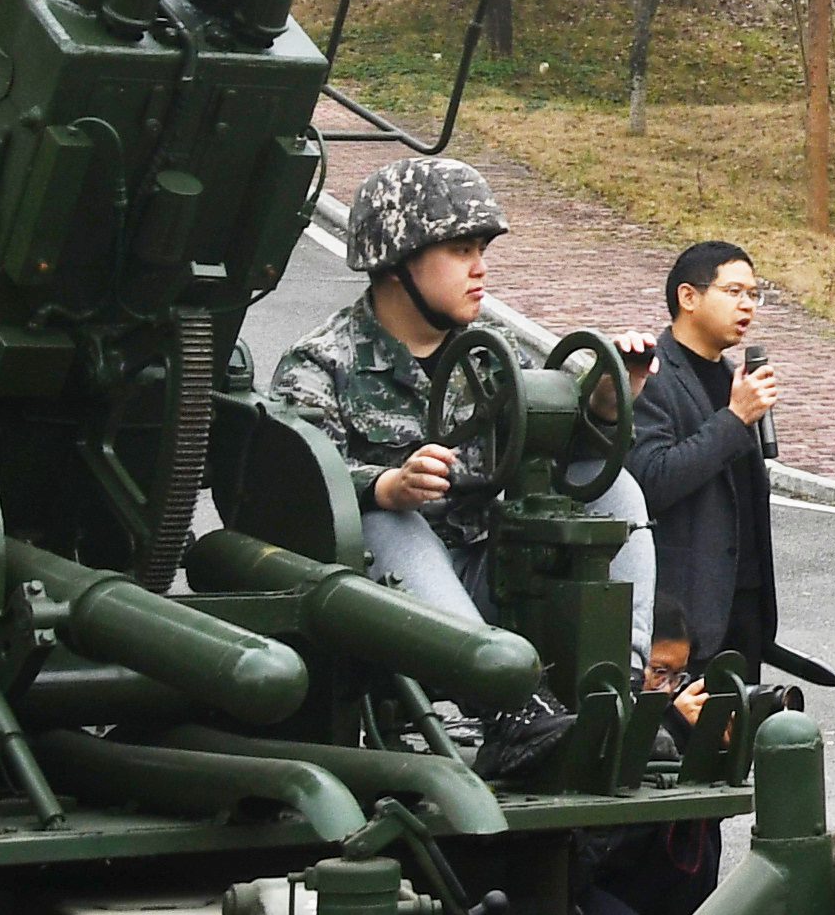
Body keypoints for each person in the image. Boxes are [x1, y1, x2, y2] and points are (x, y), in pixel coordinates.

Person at [265, 158, 655, 758]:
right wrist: (386, 485)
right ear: (396, 264)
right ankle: (512, 709)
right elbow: (302, 483)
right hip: (381, 599)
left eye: (481, 249)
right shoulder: (321, 364)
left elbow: (550, 458)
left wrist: (604, 405)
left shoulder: (488, 362)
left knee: (614, 490)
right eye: (460, 251)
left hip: (483, 570)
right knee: (386, 520)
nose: (480, 270)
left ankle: (612, 695)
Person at [625, 240, 805, 695]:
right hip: (685, 620)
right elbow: (651, 480)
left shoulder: (731, 378)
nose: (747, 306)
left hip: (742, 610)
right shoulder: (651, 377)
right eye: (733, 291)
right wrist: (733, 420)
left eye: (754, 294)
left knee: (735, 750)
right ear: (689, 297)